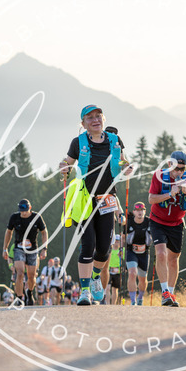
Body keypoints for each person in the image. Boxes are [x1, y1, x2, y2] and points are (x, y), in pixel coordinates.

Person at [59, 104, 132, 305]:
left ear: (103, 119)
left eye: (98, 116)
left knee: (103, 249)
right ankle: (85, 292)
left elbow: (122, 162)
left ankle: (95, 277)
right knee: (88, 244)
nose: (95, 120)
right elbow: (67, 162)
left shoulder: (115, 140)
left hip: (107, 198)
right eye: (90, 117)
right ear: (83, 124)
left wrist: (127, 168)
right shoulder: (78, 142)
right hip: (83, 199)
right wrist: (63, 167)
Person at [148, 151, 186, 307]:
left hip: (176, 223)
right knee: (161, 254)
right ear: (169, 164)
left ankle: (171, 293)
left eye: (182, 169)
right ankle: (164, 293)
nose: (179, 172)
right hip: (157, 221)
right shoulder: (159, 175)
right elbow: (151, 199)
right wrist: (170, 194)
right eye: (176, 168)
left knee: (173, 258)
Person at [3, 199, 48, 306]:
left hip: (32, 250)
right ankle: (19, 298)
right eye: (21, 211)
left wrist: (44, 249)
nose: (23, 213)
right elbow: (8, 232)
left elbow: (44, 232)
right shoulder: (14, 217)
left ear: (30, 208)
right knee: (19, 272)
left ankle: (29, 292)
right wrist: (5, 248)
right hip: (19, 248)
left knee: (31, 275)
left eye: (25, 211)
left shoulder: (37, 217)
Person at [124, 201, 153, 306]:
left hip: (144, 252)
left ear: (145, 211)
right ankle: (133, 301)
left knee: (143, 278)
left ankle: (140, 297)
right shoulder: (129, 222)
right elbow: (123, 236)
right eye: (137, 210)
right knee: (132, 273)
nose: (140, 212)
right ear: (134, 212)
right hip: (131, 251)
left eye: (142, 210)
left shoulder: (149, 222)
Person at [106, 234, 123, 305]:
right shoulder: (110, 250)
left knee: (114, 289)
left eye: (118, 241)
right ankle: (107, 304)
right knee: (107, 288)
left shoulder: (122, 251)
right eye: (115, 241)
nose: (116, 242)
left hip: (117, 271)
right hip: (109, 270)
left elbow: (124, 260)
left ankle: (113, 304)